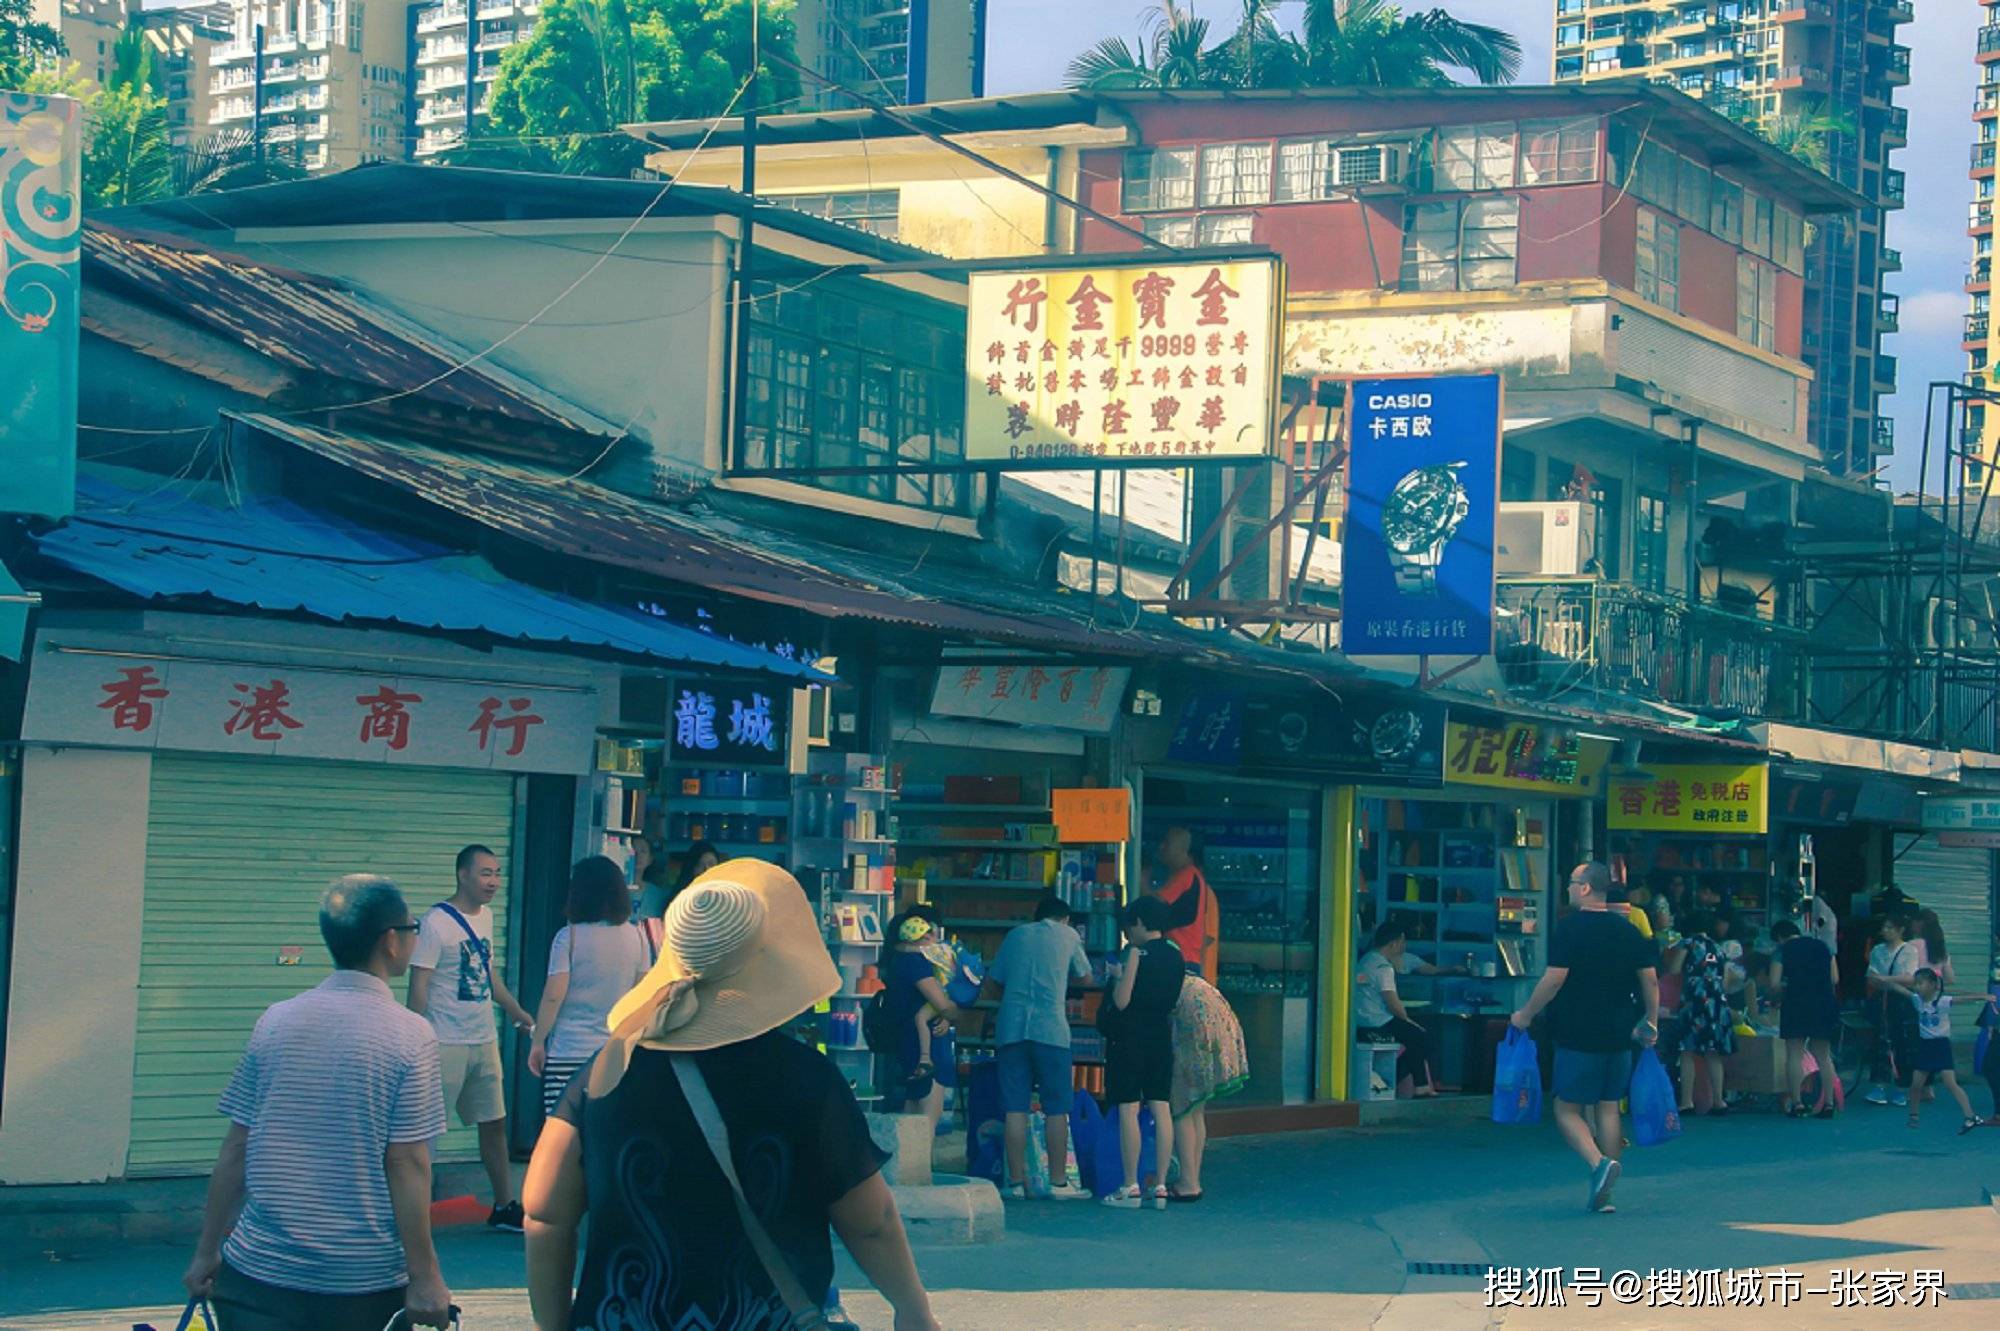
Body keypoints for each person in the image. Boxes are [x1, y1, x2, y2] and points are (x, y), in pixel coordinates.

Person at [522, 860, 941, 1331]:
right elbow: (871, 1220)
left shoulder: (606, 1072)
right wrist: (912, 1309)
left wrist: (554, 1324)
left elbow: (543, 1211)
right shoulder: (806, 1080)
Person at [184, 875, 453, 1331]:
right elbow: (407, 1162)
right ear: (391, 942)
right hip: (359, 1284)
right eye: (413, 929)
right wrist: (426, 1276)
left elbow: (236, 1146)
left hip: (257, 1274)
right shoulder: (411, 1035)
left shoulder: (275, 1021)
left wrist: (207, 1251)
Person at [1511, 861, 1658, 1215]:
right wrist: (1650, 1021)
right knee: (1608, 1105)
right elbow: (1650, 979)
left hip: (1578, 1031)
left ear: (1587, 888)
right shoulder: (1627, 929)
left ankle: (1598, 1165)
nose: (1569, 889)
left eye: (1573, 883)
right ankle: (1606, 1188)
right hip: (1621, 1032)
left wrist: (1526, 1013)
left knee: (1566, 1108)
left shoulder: (1570, 928)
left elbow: (1554, 978)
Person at [408, 844, 536, 1232]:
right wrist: (412, 1038)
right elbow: (419, 986)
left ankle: (504, 1205)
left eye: (497, 873)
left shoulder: (488, 916)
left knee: (493, 1121)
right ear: (462, 875)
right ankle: (409, 1210)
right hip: (443, 1040)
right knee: (426, 1130)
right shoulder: (435, 923)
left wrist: (516, 1013)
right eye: (485, 873)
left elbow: (488, 975)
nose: (494, 881)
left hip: (483, 1037)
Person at [527, 856, 656, 1118]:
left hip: (568, 1051)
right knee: (602, 1134)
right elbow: (640, 997)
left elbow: (553, 996)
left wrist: (538, 1042)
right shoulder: (638, 937)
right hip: (613, 1055)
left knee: (562, 1132)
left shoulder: (568, 937)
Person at [986, 894, 1093, 1201]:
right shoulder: (1069, 935)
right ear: (1065, 919)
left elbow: (994, 982)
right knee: (1057, 1109)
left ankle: (1016, 1183)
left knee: (1015, 1109)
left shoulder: (1015, 935)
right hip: (1051, 1030)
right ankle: (1059, 1183)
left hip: (1012, 1029)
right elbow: (1085, 977)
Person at [1100, 896, 1184, 1211]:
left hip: (1129, 1037)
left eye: (1129, 926)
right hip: (1160, 1035)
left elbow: (1121, 1001)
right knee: (1161, 1106)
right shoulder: (1177, 956)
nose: (1126, 933)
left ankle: (1130, 1185)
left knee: (1129, 1109)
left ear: (1139, 923)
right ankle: (1161, 1186)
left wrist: (1117, 975)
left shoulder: (1135, 952)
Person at [1875, 967, 1995, 1134]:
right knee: (1916, 1084)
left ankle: (1970, 1116)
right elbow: (1902, 990)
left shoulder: (1942, 1001)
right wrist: (1886, 980)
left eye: (1921, 983)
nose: (1917, 987)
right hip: (1925, 1046)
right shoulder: (1917, 1000)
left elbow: (1962, 999)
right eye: (1915, 983)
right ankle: (1914, 1115)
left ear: (1932, 985)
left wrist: (1983, 997)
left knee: (1950, 1083)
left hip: (1941, 1045)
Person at [884, 908, 966, 1137]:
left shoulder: (897, 960)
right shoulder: (916, 962)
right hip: (926, 1045)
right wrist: (955, 1012)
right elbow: (942, 1003)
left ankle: (905, 1168)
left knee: (911, 1110)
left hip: (906, 1041)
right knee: (928, 1116)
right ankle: (919, 1167)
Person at [1354, 920, 1439, 1098]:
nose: (1404, 946)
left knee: (1415, 1038)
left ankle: (1406, 1081)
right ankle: (1413, 1084)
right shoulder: (1384, 968)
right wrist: (1408, 1020)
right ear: (1395, 942)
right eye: (1403, 942)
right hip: (1377, 1021)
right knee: (1422, 1038)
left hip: (1361, 1018)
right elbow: (1393, 1002)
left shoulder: (1366, 960)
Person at [1770, 920, 1840, 1119]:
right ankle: (1828, 1103)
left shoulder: (1781, 951)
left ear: (1780, 938)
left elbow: (1775, 984)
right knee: (1823, 1056)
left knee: (1794, 1055)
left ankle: (1797, 1103)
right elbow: (1834, 978)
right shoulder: (1823, 947)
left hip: (1795, 1004)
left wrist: (1776, 998)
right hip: (1823, 1004)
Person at [1675, 912, 1735, 1117]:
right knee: (1713, 1052)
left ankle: (1686, 1102)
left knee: (1687, 1051)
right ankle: (1719, 1101)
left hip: (1694, 1001)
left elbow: (1674, 968)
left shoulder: (1687, 943)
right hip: (1717, 1003)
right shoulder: (1719, 948)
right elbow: (1726, 980)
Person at [1865, 914, 1922, 1107]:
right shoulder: (1877, 950)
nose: (1886, 931)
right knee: (1880, 1041)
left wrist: (1886, 980)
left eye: (1890, 927)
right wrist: (1881, 981)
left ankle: (1902, 1089)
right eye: (1884, 927)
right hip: (1881, 999)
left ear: (1900, 930)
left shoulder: (1909, 950)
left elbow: (1910, 978)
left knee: (1902, 1043)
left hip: (1901, 1001)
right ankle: (1879, 1086)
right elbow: (1871, 976)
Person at [1151, 826, 1219, 984]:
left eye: (1167, 843)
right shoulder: (1194, 877)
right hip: (1189, 957)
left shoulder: (1186, 875)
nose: (1161, 847)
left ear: (1181, 849)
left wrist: (1140, 881)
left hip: (1180, 955)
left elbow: (1154, 903)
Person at [637, 839, 718, 922]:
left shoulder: (724, 898)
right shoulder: (677, 899)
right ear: (690, 868)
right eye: (699, 865)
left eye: (711, 864)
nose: (706, 869)